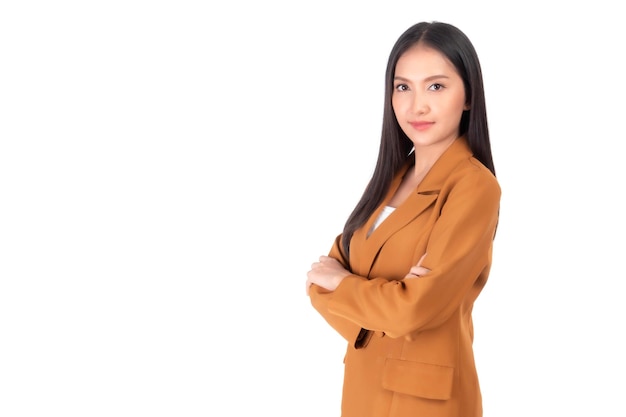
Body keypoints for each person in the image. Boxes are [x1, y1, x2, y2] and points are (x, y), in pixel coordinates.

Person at [305, 21, 500, 417]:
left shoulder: (474, 187)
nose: (416, 106)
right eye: (402, 87)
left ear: (468, 97)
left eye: (436, 86)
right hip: (363, 388)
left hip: (426, 403)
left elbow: (413, 310)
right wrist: (383, 305)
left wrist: (346, 285)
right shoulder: (391, 177)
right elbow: (317, 284)